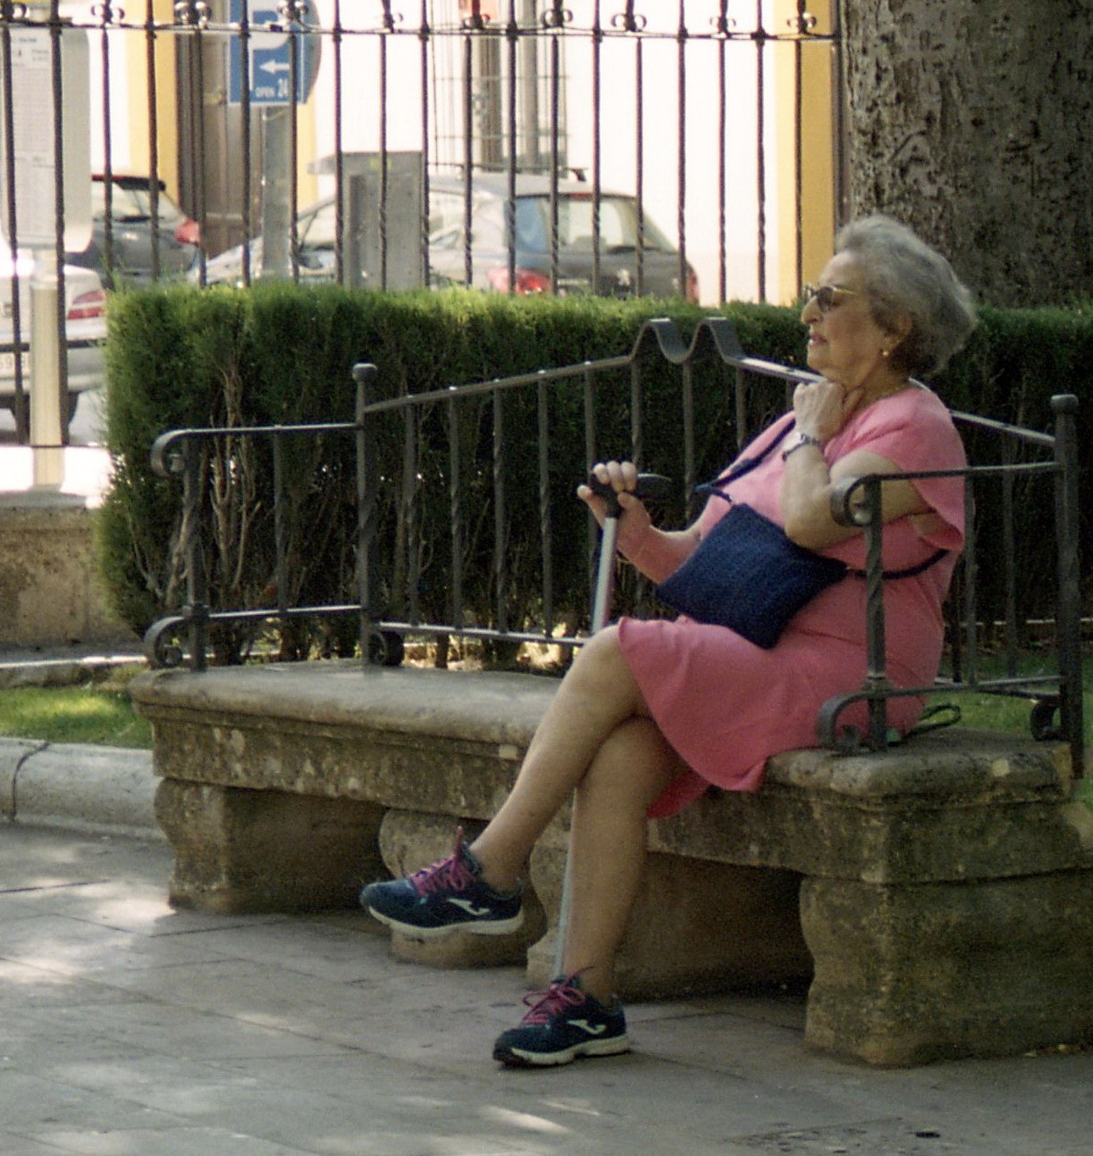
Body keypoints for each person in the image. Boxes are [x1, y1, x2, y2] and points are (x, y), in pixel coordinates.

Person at [359, 214, 978, 1068]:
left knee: (616, 647)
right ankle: (585, 999)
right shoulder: (811, 415)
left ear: (895, 327)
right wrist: (637, 528)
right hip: (758, 650)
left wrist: (809, 436)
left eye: (827, 299)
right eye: (811, 297)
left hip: (848, 673)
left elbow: (807, 518)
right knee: (619, 756)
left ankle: (487, 871)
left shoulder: (910, 428)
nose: (806, 316)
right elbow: (708, 556)